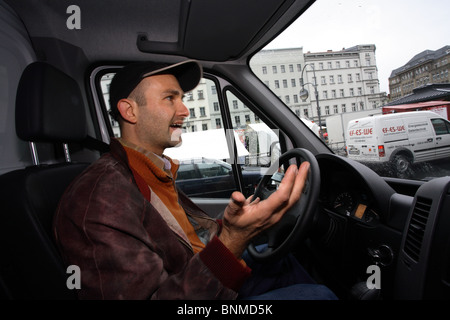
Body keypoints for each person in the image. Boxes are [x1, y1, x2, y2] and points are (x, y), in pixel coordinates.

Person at [53, 60, 336, 300]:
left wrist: (231, 225)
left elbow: (188, 240)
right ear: (130, 111)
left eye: (182, 99)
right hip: (197, 289)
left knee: (279, 258)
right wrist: (234, 238)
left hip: (199, 275)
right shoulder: (101, 198)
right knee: (319, 296)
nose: (185, 110)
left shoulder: (149, 171)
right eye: (170, 98)